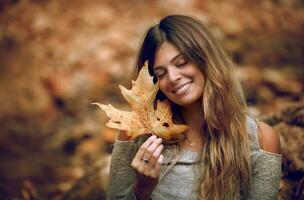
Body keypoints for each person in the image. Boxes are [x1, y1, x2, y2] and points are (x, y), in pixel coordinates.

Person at [107, 15, 282, 200]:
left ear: (205, 59)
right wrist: (142, 189)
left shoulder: (261, 140)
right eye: (161, 73)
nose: (173, 77)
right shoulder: (137, 133)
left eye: (181, 63)